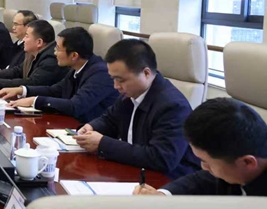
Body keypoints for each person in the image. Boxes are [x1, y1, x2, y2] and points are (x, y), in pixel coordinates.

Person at [75, 39, 200, 178]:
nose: (116, 86)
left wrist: (102, 144)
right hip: (134, 171)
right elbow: (110, 120)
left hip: (165, 181)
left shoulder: (173, 106)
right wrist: (91, 127)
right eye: (113, 79)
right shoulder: (129, 94)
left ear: (146, 73)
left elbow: (161, 158)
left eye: (121, 80)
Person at [135, 98, 267, 196]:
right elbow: (202, 179)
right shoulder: (233, 162)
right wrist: (163, 195)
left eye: (206, 162)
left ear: (247, 162)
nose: (203, 167)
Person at [0, 27, 118, 123]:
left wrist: (34, 101)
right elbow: (56, 90)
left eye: (58, 49)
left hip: (90, 132)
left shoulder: (101, 74)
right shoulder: (78, 66)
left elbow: (75, 106)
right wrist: (21, 90)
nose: (55, 53)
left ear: (74, 55)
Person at [0, 20, 66, 90]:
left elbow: (32, 83)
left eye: (27, 36)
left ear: (39, 42)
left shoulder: (51, 58)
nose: (23, 40)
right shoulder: (32, 54)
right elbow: (17, 71)